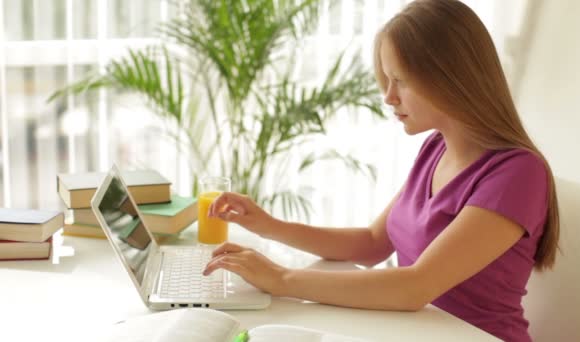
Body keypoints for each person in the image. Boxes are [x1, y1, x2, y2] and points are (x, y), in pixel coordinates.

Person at [202, 1, 560, 341]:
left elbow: (415, 286)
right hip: (412, 332)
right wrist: (268, 225)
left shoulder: (518, 174)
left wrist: (281, 279)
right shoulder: (436, 149)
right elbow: (372, 243)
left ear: (451, 77)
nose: (389, 96)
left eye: (400, 80)